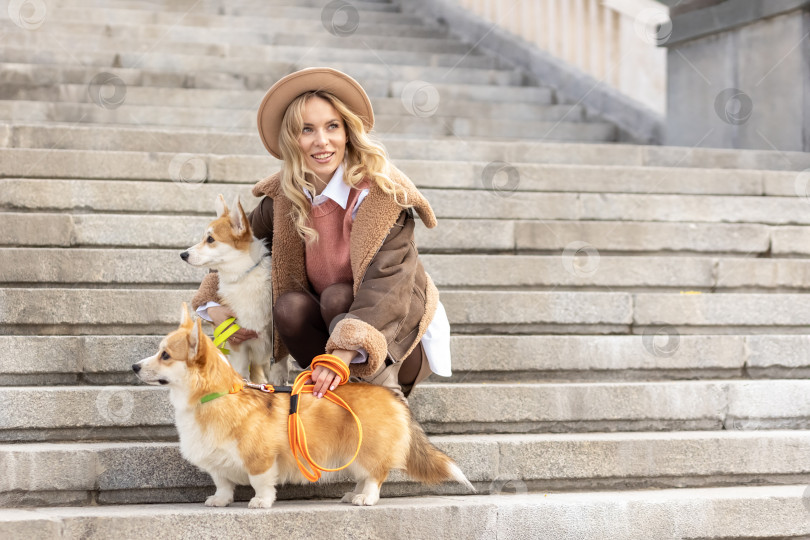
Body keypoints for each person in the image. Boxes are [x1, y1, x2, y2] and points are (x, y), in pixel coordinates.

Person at [192, 67, 451, 400]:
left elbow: (387, 289)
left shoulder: (382, 196)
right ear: (292, 140)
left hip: (397, 339)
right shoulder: (285, 198)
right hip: (332, 333)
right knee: (289, 306)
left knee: (337, 297)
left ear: (347, 133)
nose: (322, 141)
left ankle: (385, 404)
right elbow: (239, 250)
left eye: (332, 126)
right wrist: (211, 305)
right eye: (307, 130)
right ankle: (334, 397)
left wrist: (341, 355)